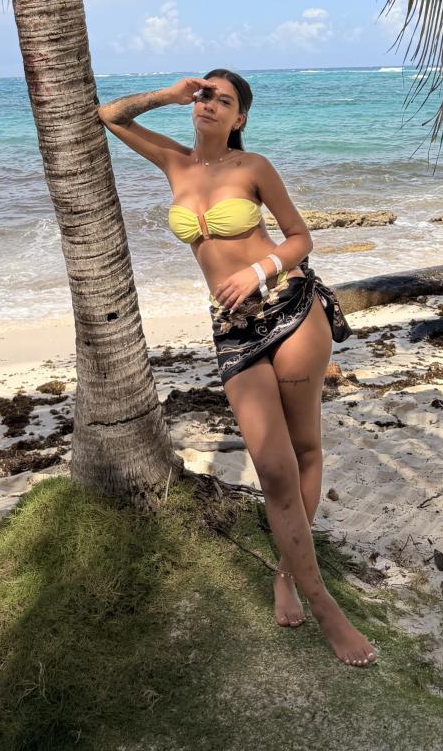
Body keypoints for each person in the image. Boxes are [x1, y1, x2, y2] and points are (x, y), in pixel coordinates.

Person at [97, 69, 378, 668]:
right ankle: (308, 586)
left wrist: (257, 269)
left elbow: (300, 237)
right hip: (234, 329)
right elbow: (109, 116)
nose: (209, 105)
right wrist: (166, 94)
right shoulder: (174, 162)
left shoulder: (253, 168)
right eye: (203, 96)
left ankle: (301, 586)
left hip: (290, 307)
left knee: (303, 451)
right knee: (272, 468)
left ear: (239, 117)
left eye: (222, 100)